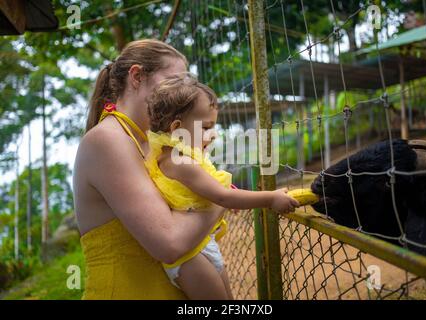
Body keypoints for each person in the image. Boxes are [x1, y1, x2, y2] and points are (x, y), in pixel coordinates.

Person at [73, 39, 226, 299]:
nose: (182, 94)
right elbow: (171, 243)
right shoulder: (108, 139)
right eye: (173, 81)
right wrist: (219, 195)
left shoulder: (151, 143)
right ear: (137, 76)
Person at [145, 74, 300, 299]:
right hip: (190, 258)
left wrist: (232, 191)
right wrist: (270, 198)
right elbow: (223, 198)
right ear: (177, 127)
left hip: (201, 245)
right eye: (206, 127)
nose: (214, 134)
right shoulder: (181, 161)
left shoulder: (179, 156)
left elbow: (208, 187)